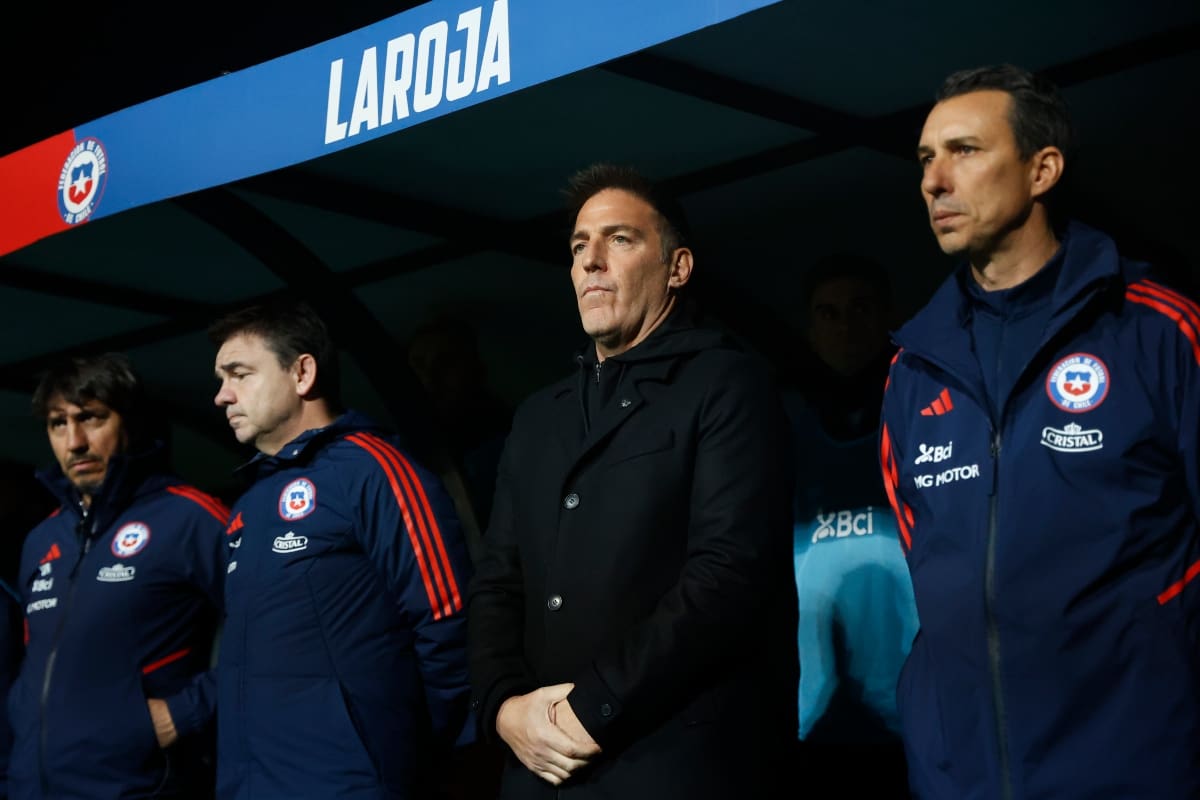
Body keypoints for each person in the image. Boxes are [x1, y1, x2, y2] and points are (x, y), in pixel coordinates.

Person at [881, 63, 1200, 798]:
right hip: (959, 776)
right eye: (926, 159)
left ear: (1042, 169)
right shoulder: (912, 370)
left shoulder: (1155, 330)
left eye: (964, 150)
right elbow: (927, 564)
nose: (934, 180)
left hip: (1135, 763)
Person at [467, 163, 797, 798]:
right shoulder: (539, 416)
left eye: (619, 239)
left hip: (674, 762)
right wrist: (505, 707)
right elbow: (496, 582)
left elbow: (728, 573)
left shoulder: (726, 384)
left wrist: (595, 706)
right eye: (578, 246)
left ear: (677, 268)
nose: (591, 261)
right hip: (538, 766)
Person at [209, 298, 475, 799]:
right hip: (250, 783)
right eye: (220, 380)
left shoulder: (374, 469)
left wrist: (417, 751)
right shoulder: (247, 504)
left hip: (349, 782)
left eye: (238, 374)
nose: (222, 396)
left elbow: (449, 616)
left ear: (302, 372)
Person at [6, 353, 226, 800]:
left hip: (138, 785)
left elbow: (278, 635)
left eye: (91, 418)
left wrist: (186, 713)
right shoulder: (42, 539)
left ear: (131, 421)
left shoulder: (191, 518)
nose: (75, 442)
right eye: (58, 424)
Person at [784, 253, 916, 793]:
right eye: (829, 313)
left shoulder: (927, 408)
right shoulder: (775, 427)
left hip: (917, 717)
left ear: (886, 317)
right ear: (811, 328)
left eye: (860, 309)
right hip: (807, 723)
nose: (846, 325)